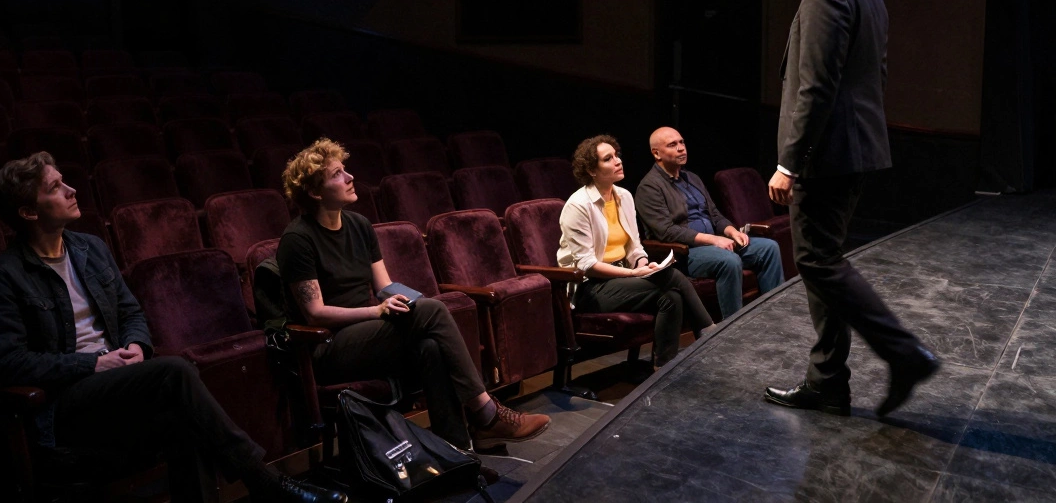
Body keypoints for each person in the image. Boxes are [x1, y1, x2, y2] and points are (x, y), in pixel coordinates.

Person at [0, 152, 347, 503]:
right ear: (28, 211)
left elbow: (131, 313)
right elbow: (8, 362)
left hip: (119, 380)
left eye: (65, 181)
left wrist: (138, 346)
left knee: (184, 418)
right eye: (55, 187)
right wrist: (92, 364)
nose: (71, 190)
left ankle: (263, 486)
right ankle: (266, 482)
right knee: (175, 371)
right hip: (68, 400)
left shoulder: (89, 248)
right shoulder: (4, 275)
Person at [764, 0, 938, 418]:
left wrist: (789, 162)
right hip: (856, 147)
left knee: (819, 260)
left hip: (827, 154)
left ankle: (904, 354)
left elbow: (815, 88)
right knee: (821, 262)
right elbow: (873, 77)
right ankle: (827, 382)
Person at [276, 138, 550, 451]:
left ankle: (458, 451)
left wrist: (412, 302)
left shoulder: (360, 225)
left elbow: (384, 287)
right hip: (327, 344)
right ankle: (487, 414)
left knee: (431, 345)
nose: (350, 177)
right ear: (314, 192)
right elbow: (315, 313)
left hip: (368, 333)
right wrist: (378, 311)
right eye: (337, 174)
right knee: (432, 312)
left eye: (345, 170)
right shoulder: (298, 239)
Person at [556, 135, 715, 369]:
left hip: (621, 277)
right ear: (591, 169)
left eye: (616, 155)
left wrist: (642, 263)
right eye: (608, 159)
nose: (618, 161)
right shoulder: (578, 205)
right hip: (590, 287)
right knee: (671, 277)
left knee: (671, 297)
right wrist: (634, 274)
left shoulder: (624, 196)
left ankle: (662, 369)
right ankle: (710, 331)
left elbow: (634, 247)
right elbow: (587, 264)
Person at [635, 126, 784, 320]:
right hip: (684, 253)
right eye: (673, 145)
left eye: (682, 142)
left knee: (768, 248)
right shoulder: (649, 187)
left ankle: (774, 317)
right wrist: (713, 240)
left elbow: (714, 215)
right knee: (729, 260)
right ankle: (733, 328)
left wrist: (731, 231)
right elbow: (667, 232)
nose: (681, 148)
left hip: (714, 245)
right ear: (657, 153)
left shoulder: (692, 178)